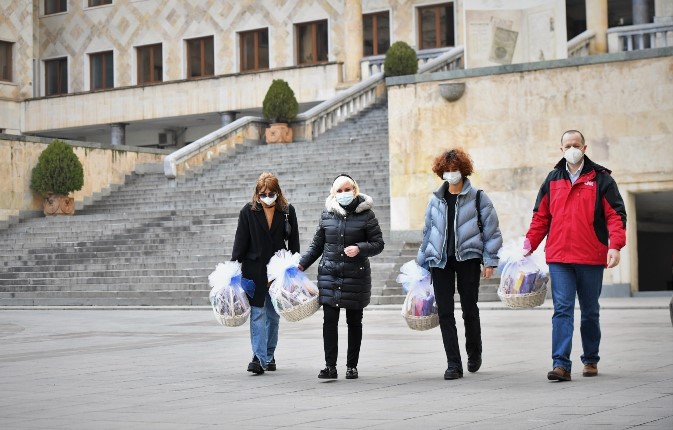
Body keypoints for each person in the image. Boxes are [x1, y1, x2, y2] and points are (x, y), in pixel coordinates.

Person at [524, 130, 626, 382]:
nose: (572, 148)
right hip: (559, 257)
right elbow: (540, 217)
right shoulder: (552, 179)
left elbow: (615, 215)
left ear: (585, 147)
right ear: (561, 149)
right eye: (568, 145)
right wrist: (527, 247)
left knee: (590, 311)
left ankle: (590, 358)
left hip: (591, 256)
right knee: (562, 310)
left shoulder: (602, 179)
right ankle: (560, 364)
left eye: (576, 144)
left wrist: (615, 246)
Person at [417, 148, 502, 380]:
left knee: (469, 309)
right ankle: (453, 364)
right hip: (440, 261)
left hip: (468, 259)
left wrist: (490, 260)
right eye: (447, 170)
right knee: (445, 312)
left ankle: (474, 353)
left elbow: (492, 231)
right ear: (441, 172)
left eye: (455, 170)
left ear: (463, 171)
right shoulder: (435, 200)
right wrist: (421, 262)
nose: (451, 174)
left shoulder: (478, 197)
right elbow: (427, 232)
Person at [298, 174, 384, 380]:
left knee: (354, 322)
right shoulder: (327, 215)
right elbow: (317, 245)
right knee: (329, 322)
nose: (344, 194)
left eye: (348, 189)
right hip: (330, 275)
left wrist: (360, 248)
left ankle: (352, 366)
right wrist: (301, 264)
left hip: (357, 276)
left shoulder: (367, 215)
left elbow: (378, 243)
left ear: (355, 190)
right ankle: (330, 366)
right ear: (333, 193)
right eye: (340, 190)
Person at [231, 172, 300, 375]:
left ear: (278, 192)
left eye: (271, 193)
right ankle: (258, 358)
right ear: (257, 194)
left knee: (273, 315)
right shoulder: (248, 212)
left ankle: (269, 356)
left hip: (278, 271)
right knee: (258, 314)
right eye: (263, 193)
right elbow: (240, 242)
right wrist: (233, 268)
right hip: (254, 270)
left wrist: (295, 270)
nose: (267, 196)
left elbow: (294, 243)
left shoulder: (287, 211)